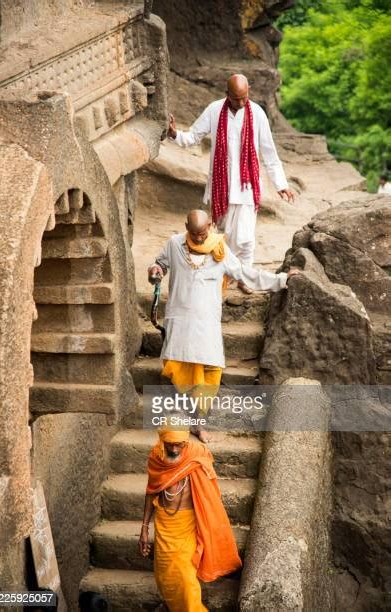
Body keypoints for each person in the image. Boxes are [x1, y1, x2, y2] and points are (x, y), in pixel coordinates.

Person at [148, 209, 300, 442]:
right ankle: (188, 420)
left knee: (211, 375)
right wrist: (155, 271)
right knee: (181, 373)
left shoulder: (220, 250)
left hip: (207, 325)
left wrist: (282, 279)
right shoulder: (174, 244)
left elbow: (245, 274)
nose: (199, 238)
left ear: (210, 225)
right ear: (186, 228)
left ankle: (199, 423)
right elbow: (159, 265)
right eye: (194, 234)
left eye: (202, 233)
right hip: (179, 322)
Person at [168, 73, 294, 294]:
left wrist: (281, 184)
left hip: (247, 188)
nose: (242, 102)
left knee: (245, 239)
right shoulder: (215, 110)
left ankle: (245, 278)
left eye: (245, 96)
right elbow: (193, 137)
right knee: (223, 236)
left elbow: (268, 152)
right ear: (227, 95)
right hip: (221, 187)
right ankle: (228, 274)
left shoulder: (258, 113)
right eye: (237, 98)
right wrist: (174, 134)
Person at [139, 429, 242, 612]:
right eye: (170, 443)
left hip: (188, 525)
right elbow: (151, 491)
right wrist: (145, 529)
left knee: (186, 578)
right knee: (165, 577)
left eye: (179, 444)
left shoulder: (197, 455)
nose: (174, 448)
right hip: (164, 523)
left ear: (186, 441)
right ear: (162, 440)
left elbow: (209, 493)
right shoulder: (157, 456)